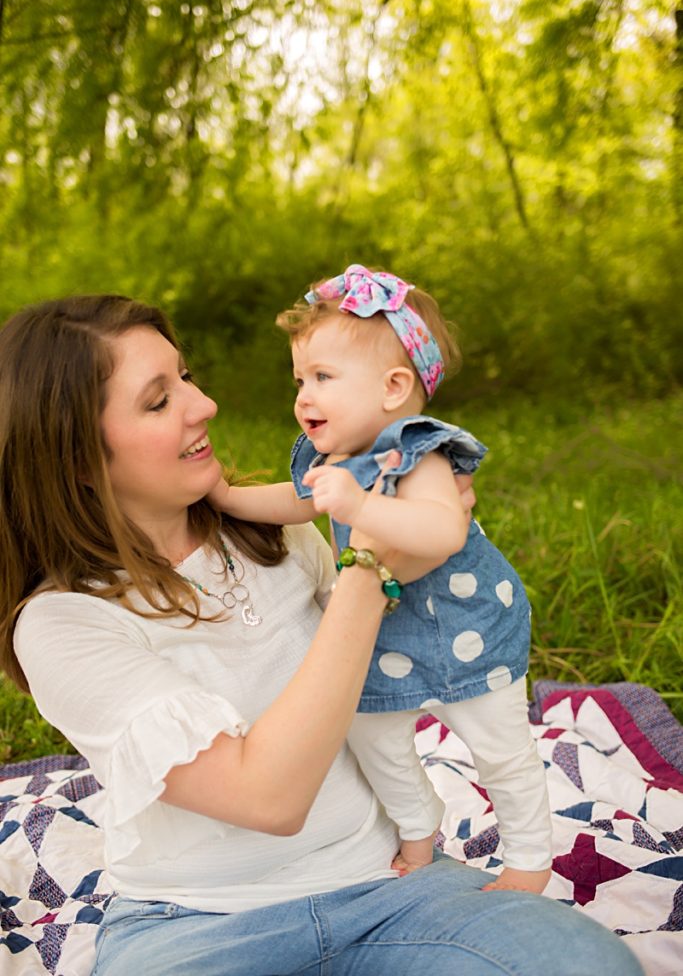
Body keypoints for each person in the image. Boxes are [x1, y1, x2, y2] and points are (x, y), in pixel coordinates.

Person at [0, 294, 643, 976]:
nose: (204, 405)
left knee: (588, 967)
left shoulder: (277, 536)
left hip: (393, 885)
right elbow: (268, 799)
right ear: (75, 457)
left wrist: (408, 532)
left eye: (186, 377)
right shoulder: (64, 624)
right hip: (195, 927)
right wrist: (371, 567)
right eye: (159, 401)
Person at [217, 263, 552, 892]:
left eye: (323, 377)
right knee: (369, 734)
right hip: (387, 637)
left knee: (501, 751)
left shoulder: (419, 452)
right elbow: (297, 501)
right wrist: (226, 499)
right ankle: (419, 825)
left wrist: (359, 506)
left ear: (394, 387)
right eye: (299, 379)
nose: (303, 396)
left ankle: (529, 862)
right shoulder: (336, 456)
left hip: (468, 631)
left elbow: (443, 530)